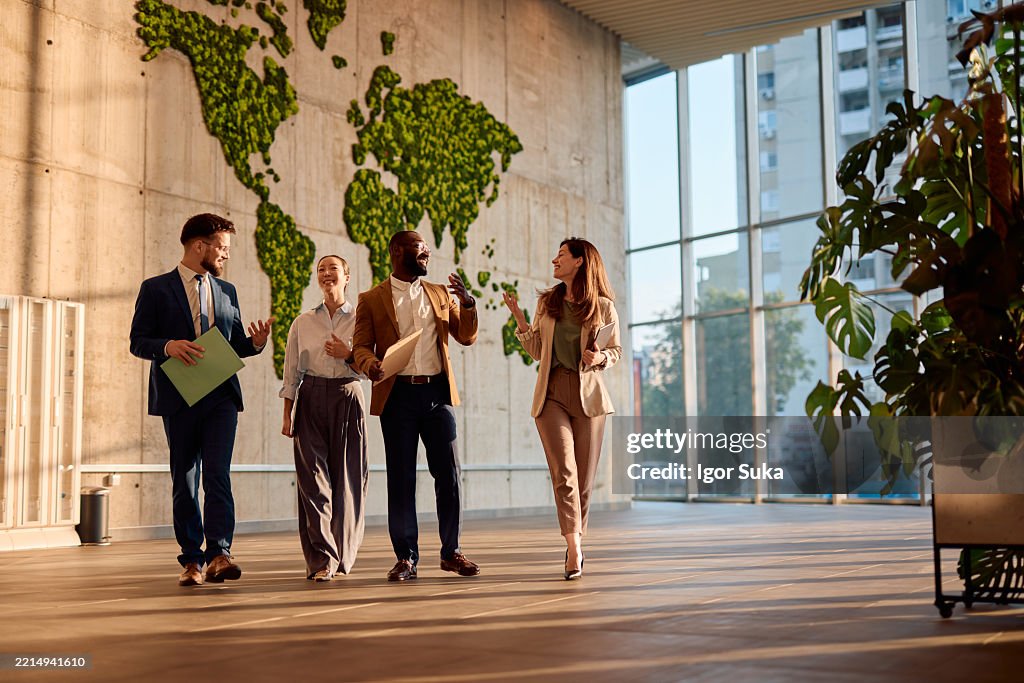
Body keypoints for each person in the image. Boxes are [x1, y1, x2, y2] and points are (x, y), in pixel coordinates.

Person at [130, 213, 272, 587]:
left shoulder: (227, 292)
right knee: (185, 478)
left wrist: (255, 344)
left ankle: (220, 555)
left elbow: (236, 343)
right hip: (179, 395)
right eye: (221, 249)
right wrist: (168, 346)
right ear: (199, 246)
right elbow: (138, 341)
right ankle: (191, 560)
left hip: (221, 395)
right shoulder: (155, 289)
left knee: (217, 474)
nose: (225, 256)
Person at [352, 230, 481, 582]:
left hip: (438, 395)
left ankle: (451, 552)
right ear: (397, 252)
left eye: (426, 251)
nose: (426, 255)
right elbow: (360, 346)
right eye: (419, 250)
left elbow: (465, 336)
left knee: (449, 476)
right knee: (402, 479)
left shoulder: (440, 293)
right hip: (398, 398)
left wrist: (467, 304)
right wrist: (370, 365)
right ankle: (406, 558)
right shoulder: (371, 299)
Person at [502, 237, 620, 580]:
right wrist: (521, 322)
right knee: (564, 474)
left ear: (580, 262)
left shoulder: (602, 306)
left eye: (562, 255)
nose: (555, 260)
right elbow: (538, 352)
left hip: (589, 397)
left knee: (583, 481)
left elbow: (615, 351)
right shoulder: (548, 301)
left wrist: (599, 357)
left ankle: (576, 540)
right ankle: (574, 548)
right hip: (551, 393)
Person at [280, 255, 367, 581]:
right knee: (312, 483)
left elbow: (376, 368)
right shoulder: (302, 322)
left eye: (333, 268)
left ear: (347, 276)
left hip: (348, 396)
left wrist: (350, 356)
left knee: (346, 481)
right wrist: (287, 414)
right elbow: (292, 373)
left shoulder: (362, 320)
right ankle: (321, 561)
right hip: (311, 398)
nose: (326, 273)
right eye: (321, 269)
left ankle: (341, 556)